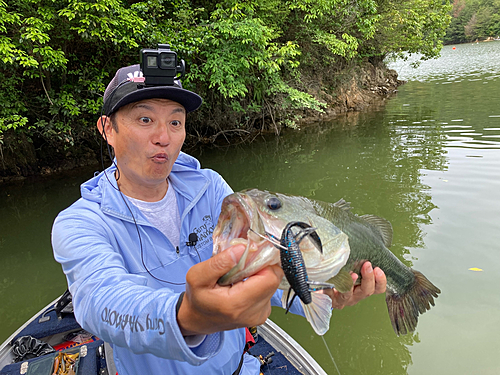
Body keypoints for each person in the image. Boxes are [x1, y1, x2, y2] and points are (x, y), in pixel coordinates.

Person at [52, 62, 387, 375]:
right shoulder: (79, 223)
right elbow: (101, 302)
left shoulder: (211, 187)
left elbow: (263, 267)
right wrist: (188, 317)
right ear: (107, 128)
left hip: (239, 366)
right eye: (144, 120)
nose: (163, 137)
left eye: (175, 121)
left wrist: (318, 292)